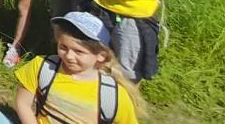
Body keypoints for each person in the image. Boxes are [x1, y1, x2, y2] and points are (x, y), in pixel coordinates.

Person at [14, 12, 143, 124]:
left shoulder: (113, 96)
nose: (69, 56)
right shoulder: (41, 66)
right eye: (63, 47)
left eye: (79, 52)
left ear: (101, 56)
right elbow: (23, 103)